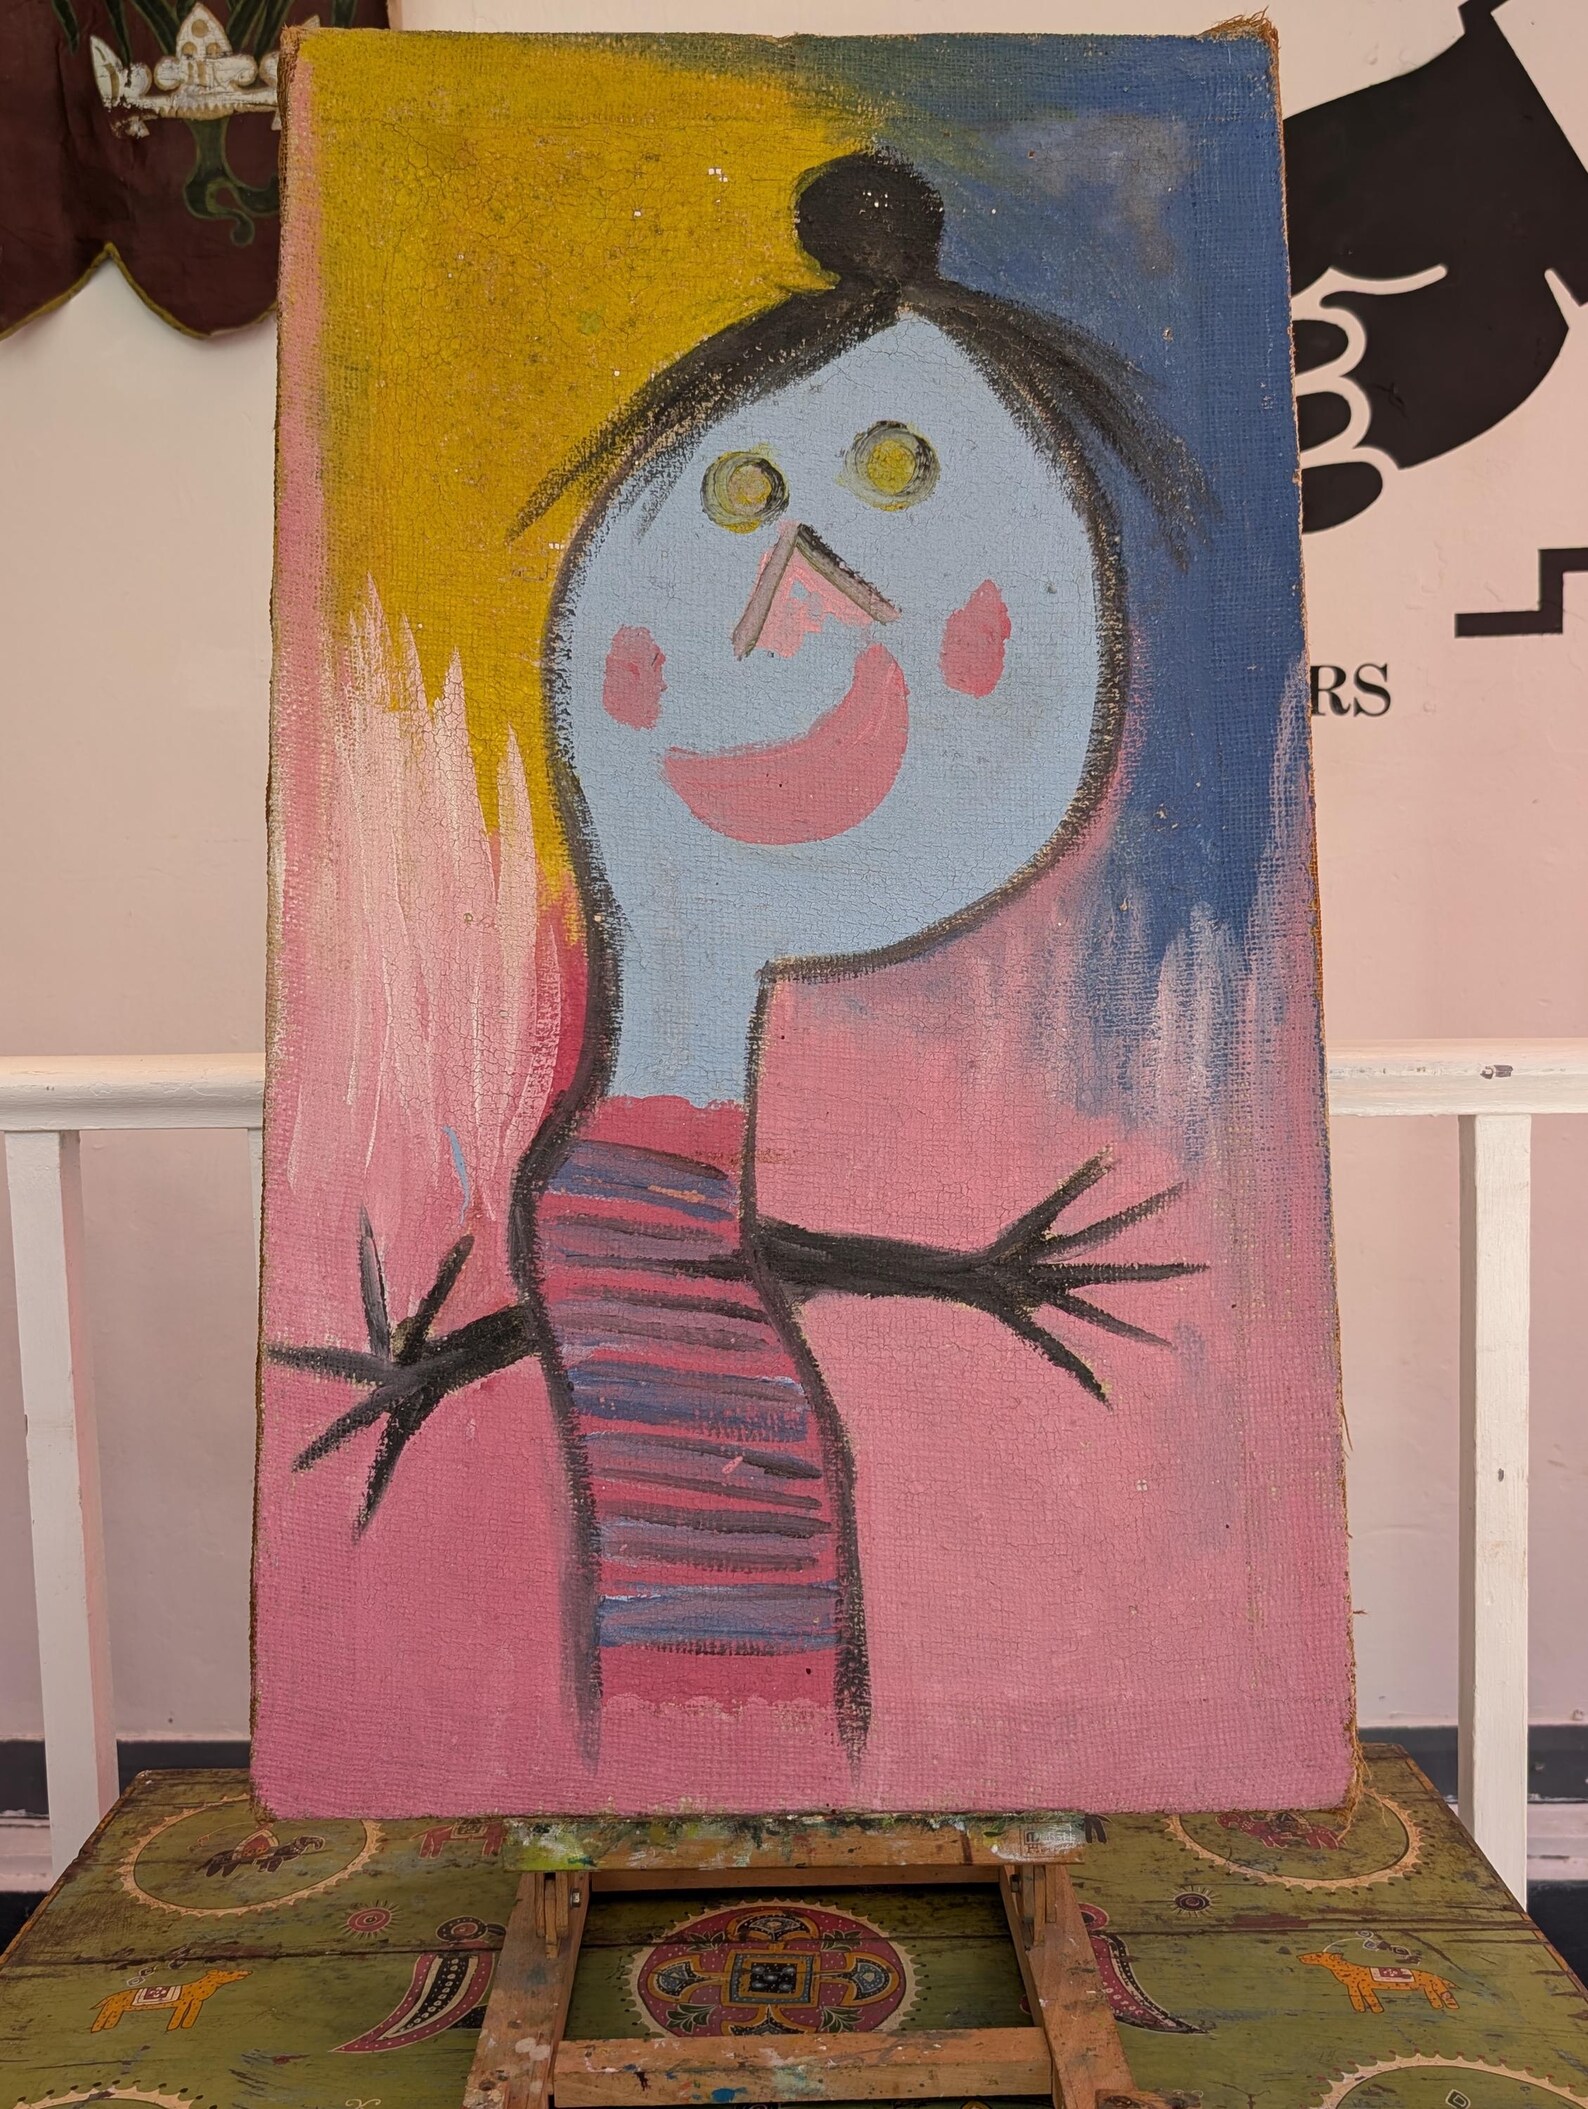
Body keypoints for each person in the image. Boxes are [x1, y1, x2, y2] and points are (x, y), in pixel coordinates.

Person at [273, 152, 1205, 1759]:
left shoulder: (638, 1168)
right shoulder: (616, 1166)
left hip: (735, 1492)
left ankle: (727, 1757)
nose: (798, 604)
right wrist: (978, 1276)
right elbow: (670, 1277)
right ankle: (705, 1762)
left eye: (897, 475)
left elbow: (712, 1265)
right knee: (710, 1671)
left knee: (743, 1646)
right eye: (743, 498)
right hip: (701, 1495)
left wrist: (976, 1276)